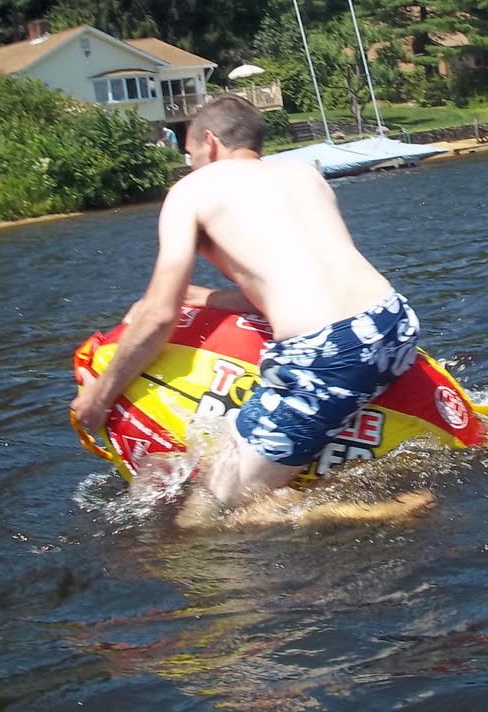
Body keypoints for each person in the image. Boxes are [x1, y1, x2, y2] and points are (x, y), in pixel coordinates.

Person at [70, 95, 428, 526]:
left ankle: (365, 511)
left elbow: (159, 314)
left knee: (200, 518)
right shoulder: (304, 176)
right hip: (393, 321)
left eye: (189, 155)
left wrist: (100, 398)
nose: (189, 166)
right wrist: (208, 299)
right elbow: (301, 288)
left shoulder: (190, 191)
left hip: (329, 353)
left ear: (209, 141)